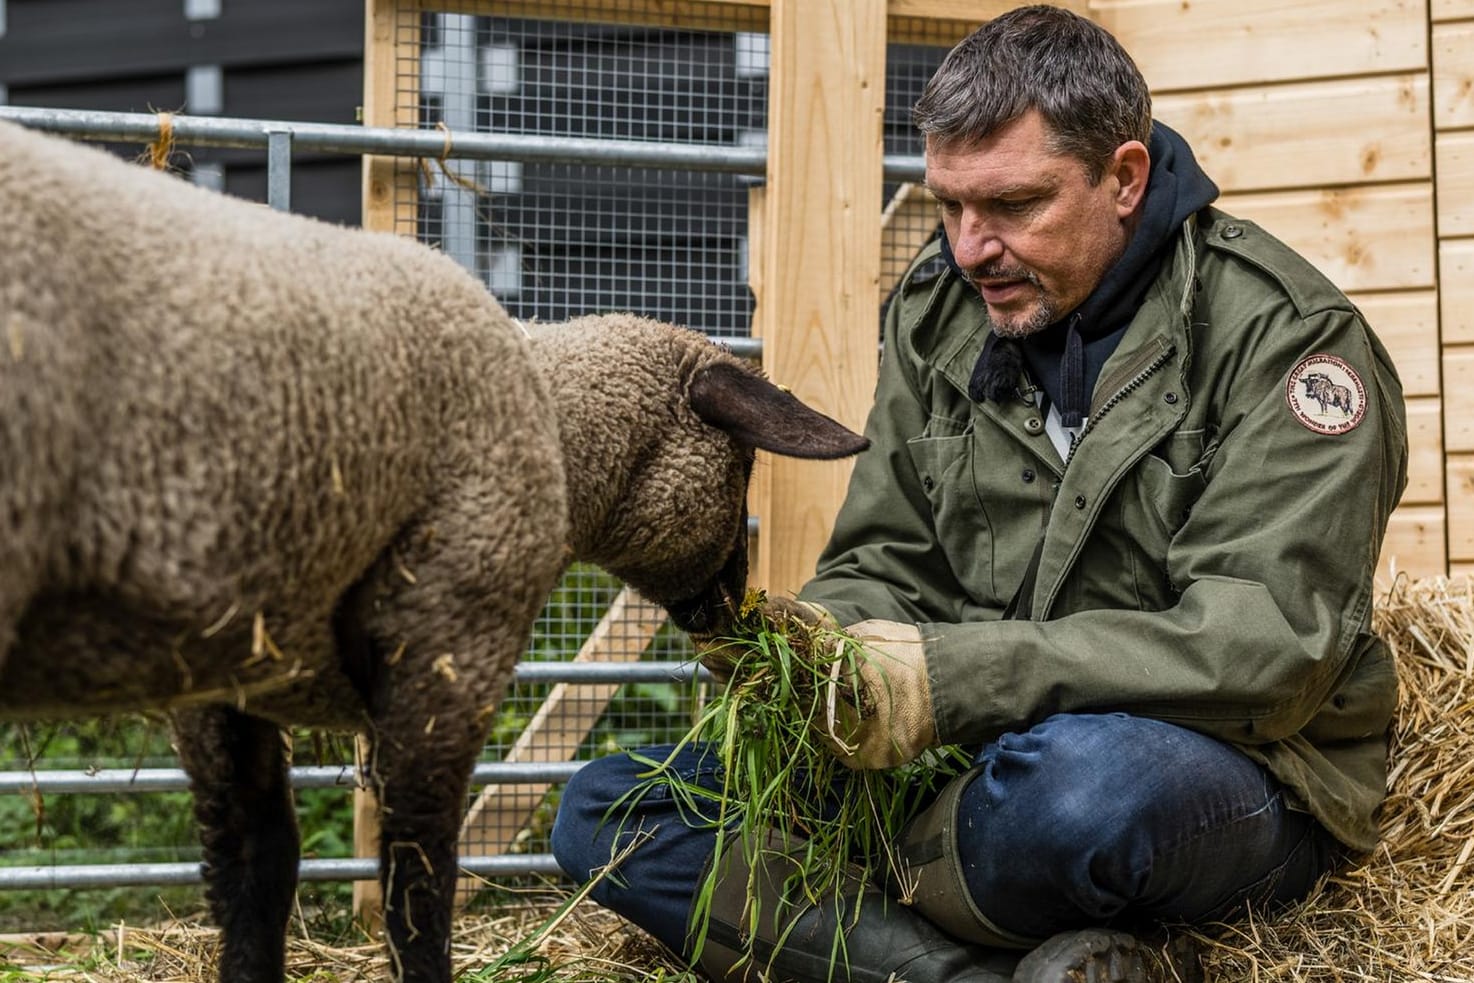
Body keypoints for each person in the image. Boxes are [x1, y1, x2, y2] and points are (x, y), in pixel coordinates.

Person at [551, 5, 1409, 981]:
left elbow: (1261, 647)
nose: (967, 248)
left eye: (1010, 205)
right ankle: (981, 970)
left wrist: (946, 681)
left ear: (1122, 179)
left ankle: (886, 915)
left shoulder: (1287, 341)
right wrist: (825, 661)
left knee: (1079, 799)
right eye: (948, 205)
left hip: (1214, 773)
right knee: (611, 809)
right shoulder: (939, 308)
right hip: (972, 759)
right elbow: (888, 553)